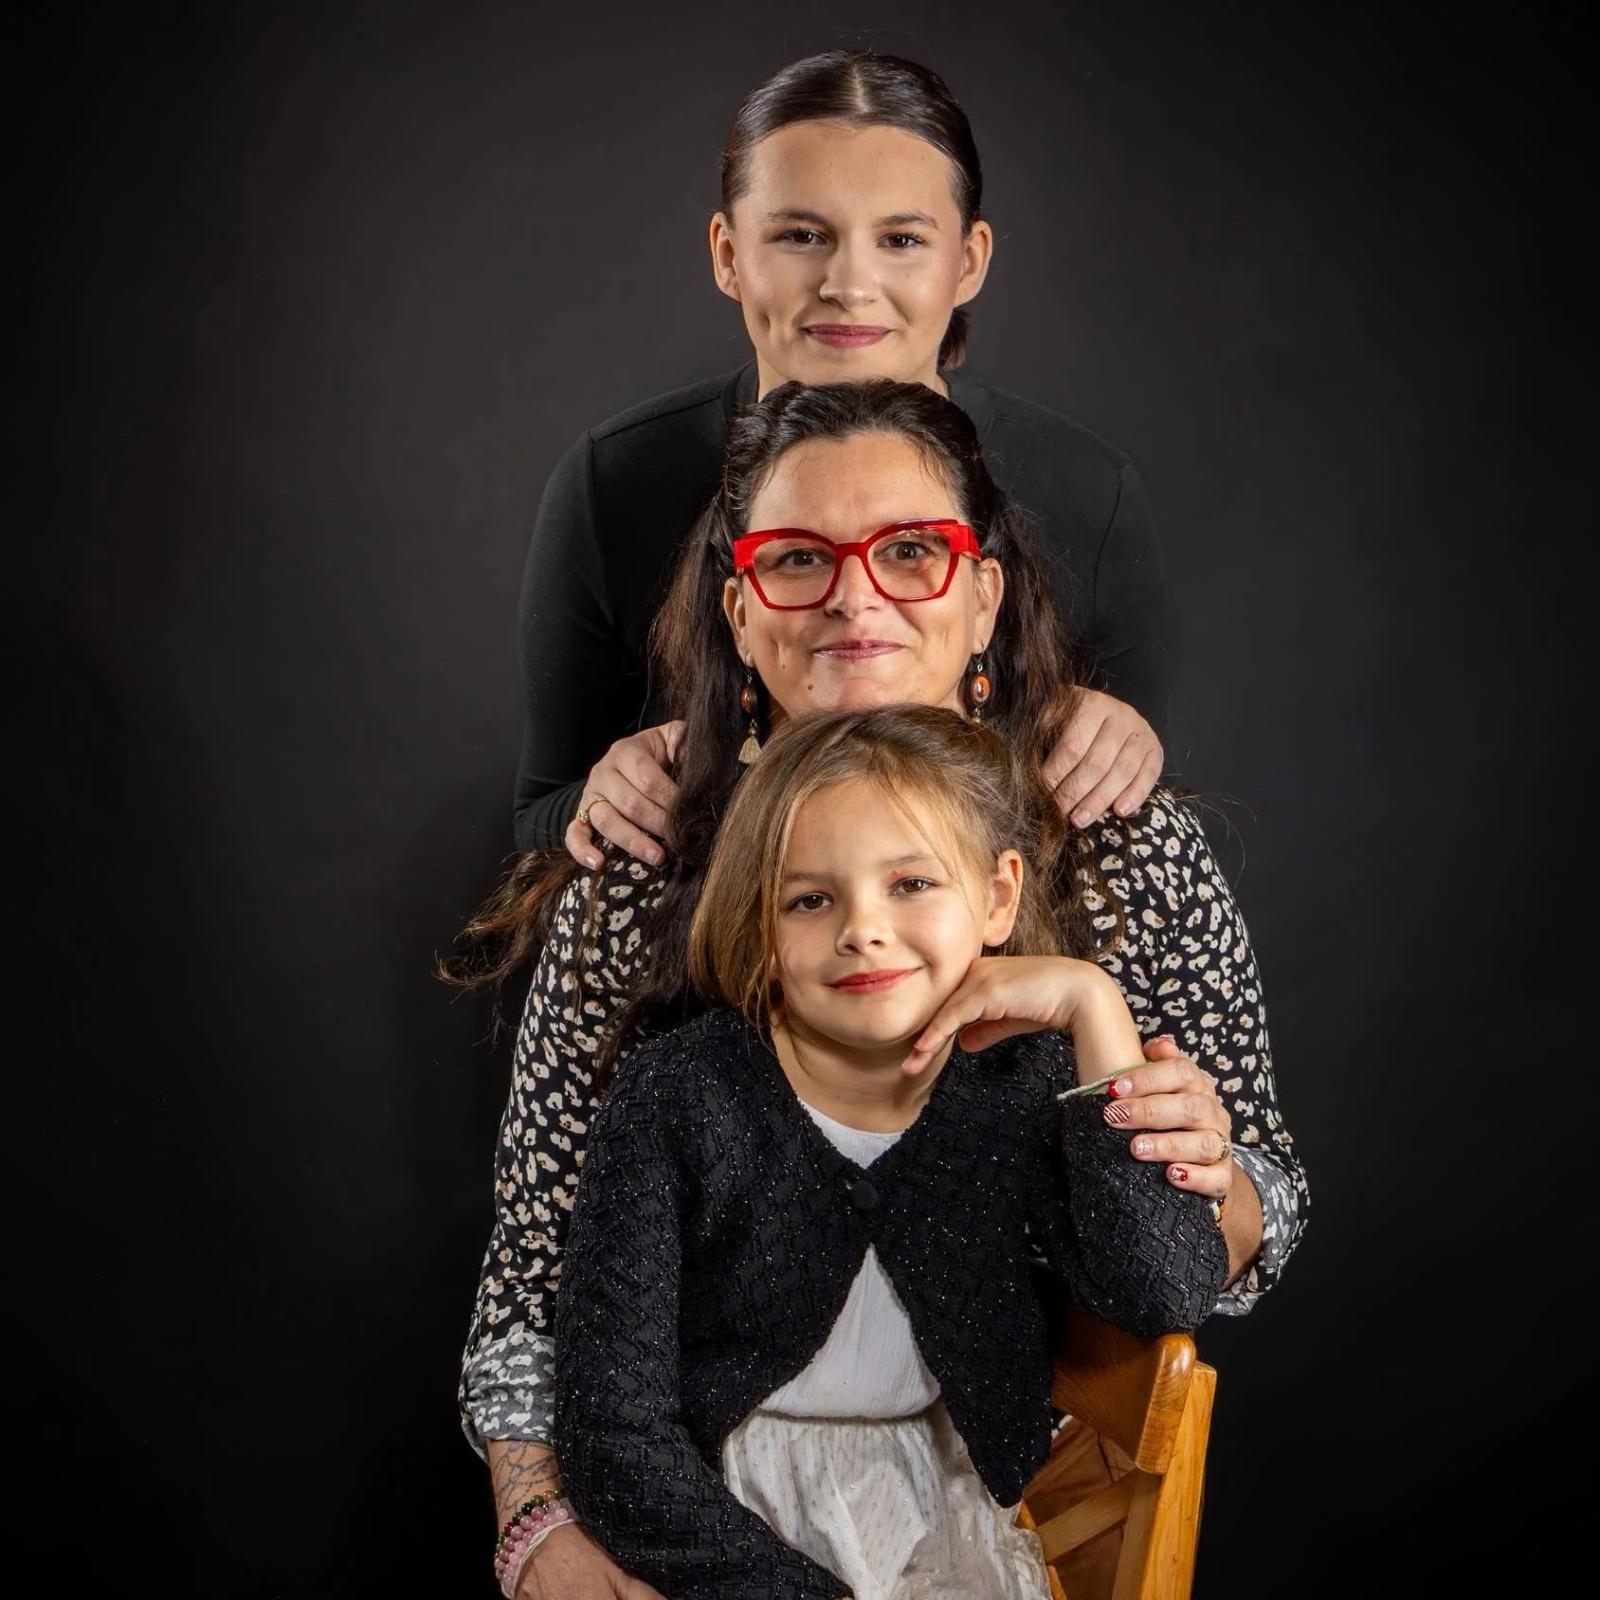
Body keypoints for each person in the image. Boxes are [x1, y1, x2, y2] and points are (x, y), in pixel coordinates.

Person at [452, 380, 1307, 1600]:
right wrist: (541, 1534)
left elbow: (1217, 1236)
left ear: (982, 596)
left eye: (912, 551)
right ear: (741, 616)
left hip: (978, 1502)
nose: (857, 598)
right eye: (800, 560)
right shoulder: (639, 885)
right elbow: (539, 1292)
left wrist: (1166, 1123)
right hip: (701, 1523)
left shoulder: (1119, 849)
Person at [554, 704, 1231, 1600]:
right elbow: (610, 1431)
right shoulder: (678, 1099)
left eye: (911, 884)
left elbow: (1161, 1290)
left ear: (997, 898)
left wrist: (1092, 1006)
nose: (862, 929)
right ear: (762, 926)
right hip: (715, 1529)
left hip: (938, 1514)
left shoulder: (1022, 1083)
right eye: (809, 898)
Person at [516, 49, 1168, 867]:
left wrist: (1131, 745)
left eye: (900, 238)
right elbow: (539, 813)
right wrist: (602, 798)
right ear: (726, 254)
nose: (849, 284)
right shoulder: (613, 483)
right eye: (799, 235)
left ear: (968, 260)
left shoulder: (1086, 490)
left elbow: (1132, 831)